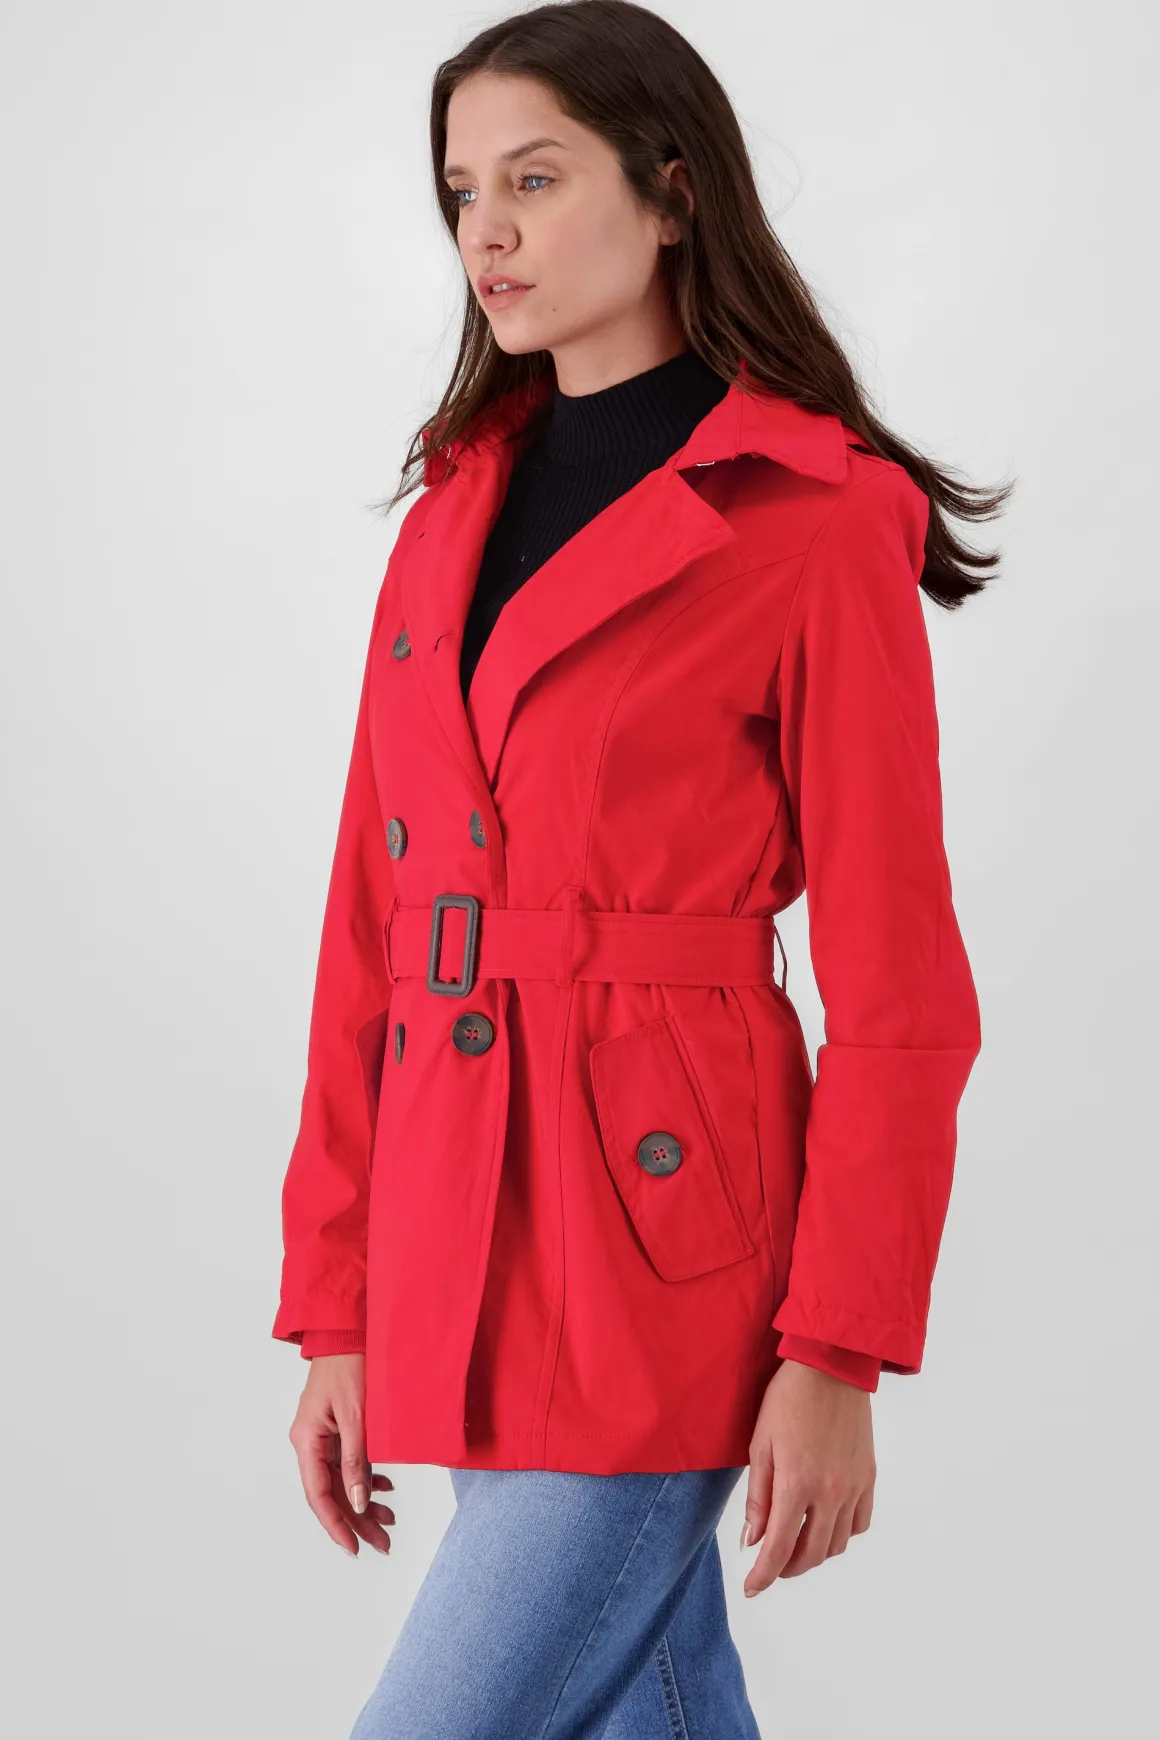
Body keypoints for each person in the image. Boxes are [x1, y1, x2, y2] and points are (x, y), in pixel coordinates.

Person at [271, 3, 1008, 1734]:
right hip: (460, 1223)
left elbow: (902, 993)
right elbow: (374, 935)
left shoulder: (814, 519)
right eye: (464, 192)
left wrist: (835, 1349)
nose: (489, 233)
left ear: (674, 193)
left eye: (535, 180)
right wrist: (337, 1310)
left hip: (668, 1252)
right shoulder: (449, 515)